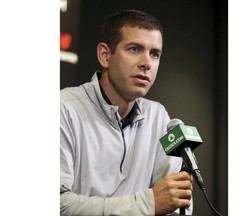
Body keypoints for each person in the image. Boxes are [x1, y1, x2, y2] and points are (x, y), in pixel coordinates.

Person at [60, 9, 193, 215]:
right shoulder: (63, 108)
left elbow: (175, 202)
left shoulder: (158, 116)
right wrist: (148, 204)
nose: (146, 63)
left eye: (154, 54)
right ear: (105, 56)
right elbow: (59, 205)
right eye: (134, 49)